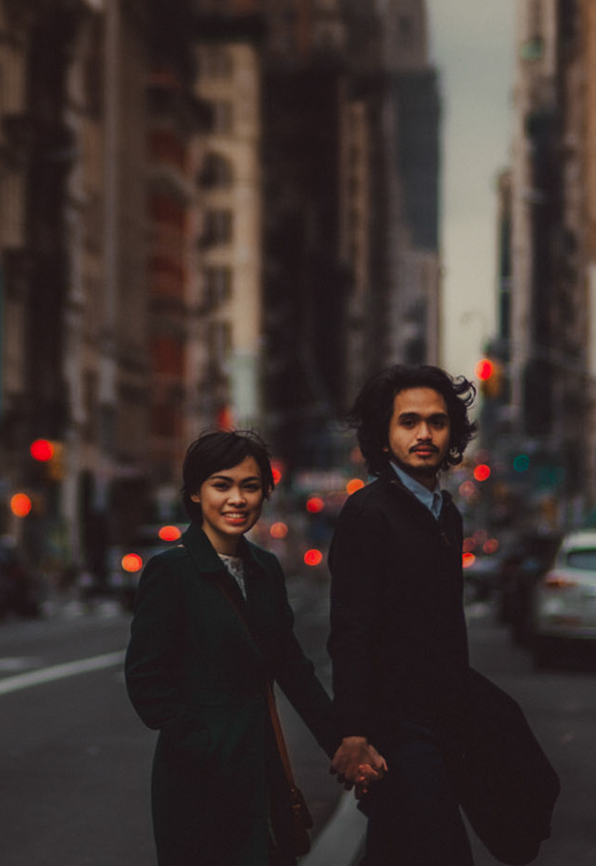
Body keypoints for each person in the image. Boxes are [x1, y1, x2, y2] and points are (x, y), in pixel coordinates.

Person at [125, 429, 358, 866]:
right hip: (197, 778)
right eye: (222, 485)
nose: (237, 499)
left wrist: (341, 744)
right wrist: (200, 743)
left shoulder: (265, 569)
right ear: (196, 493)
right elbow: (145, 679)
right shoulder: (169, 572)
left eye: (250, 486)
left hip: (262, 768)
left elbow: (291, 666)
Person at [328, 364, 479, 866]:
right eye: (408, 421)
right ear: (384, 434)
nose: (424, 434)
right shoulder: (369, 513)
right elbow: (351, 628)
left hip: (443, 724)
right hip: (396, 731)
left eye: (437, 422)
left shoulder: (445, 514)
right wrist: (354, 732)